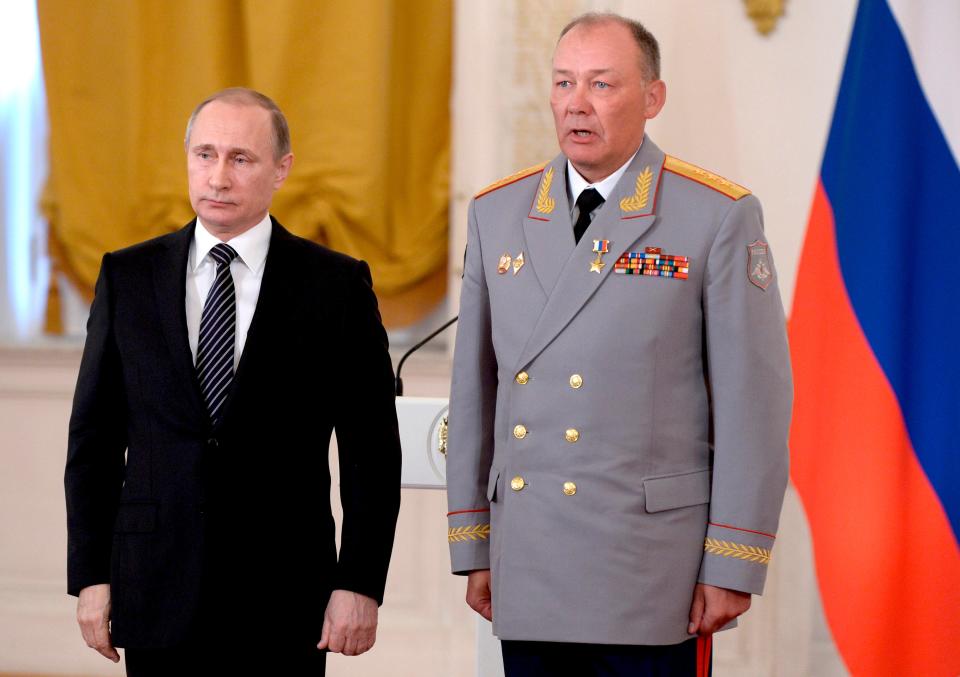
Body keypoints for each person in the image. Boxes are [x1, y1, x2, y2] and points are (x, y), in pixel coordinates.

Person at [445, 12, 792, 676]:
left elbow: (754, 404)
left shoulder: (715, 215)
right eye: (564, 83)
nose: (577, 103)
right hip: (532, 560)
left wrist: (734, 558)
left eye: (602, 84)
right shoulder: (497, 213)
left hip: (652, 568)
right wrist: (475, 544)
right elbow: (473, 392)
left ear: (652, 98)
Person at [65, 87, 401, 676]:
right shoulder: (127, 276)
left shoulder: (336, 287)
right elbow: (92, 444)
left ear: (280, 170)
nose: (218, 176)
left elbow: (372, 452)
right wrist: (91, 574)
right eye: (205, 154)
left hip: (285, 598)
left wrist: (360, 583)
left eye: (240, 159)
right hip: (154, 587)